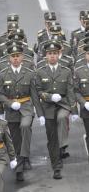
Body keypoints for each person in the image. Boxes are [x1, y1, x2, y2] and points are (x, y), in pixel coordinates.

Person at [0, 43, 43, 181]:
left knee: (25, 126)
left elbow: (34, 94)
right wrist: (10, 104)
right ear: (9, 58)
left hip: (26, 107)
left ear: (22, 57)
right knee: (15, 139)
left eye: (18, 56)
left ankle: (22, 159)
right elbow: (0, 94)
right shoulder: (3, 73)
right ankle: (19, 165)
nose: (16, 58)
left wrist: (40, 114)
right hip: (12, 110)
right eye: (13, 56)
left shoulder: (29, 73)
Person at [35, 40, 79, 179]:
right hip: (48, 106)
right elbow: (38, 91)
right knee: (51, 138)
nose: (52, 56)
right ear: (45, 55)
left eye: (55, 53)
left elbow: (70, 91)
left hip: (64, 103)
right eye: (50, 54)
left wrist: (74, 111)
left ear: (59, 54)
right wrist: (48, 97)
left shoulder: (65, 71)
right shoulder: (40, 72)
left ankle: (61, 147)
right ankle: (56, 166)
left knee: (61, 118)